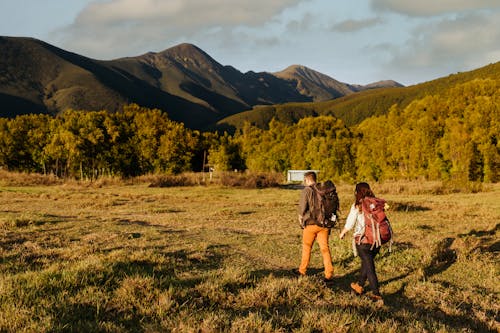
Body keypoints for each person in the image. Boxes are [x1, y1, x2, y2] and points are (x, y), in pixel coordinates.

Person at [339, 182, 383, 303]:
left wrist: (343, 232)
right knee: (366, 263)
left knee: (369, 268)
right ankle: (359, 286)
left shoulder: (357, 205)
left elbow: (350, 223)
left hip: (364, 241)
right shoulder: (376, 203)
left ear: (357, 192)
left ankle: (376, 294)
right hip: (377, 241)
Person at [296, 171, 335, 282]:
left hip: (311, 224)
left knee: (307, 247)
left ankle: (302, 270)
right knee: (325, 249)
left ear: (307, 179)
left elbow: (302, 209)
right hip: (324, 224)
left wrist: (301, 220)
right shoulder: (323, 190)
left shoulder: (307, 190)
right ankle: (329, 274)